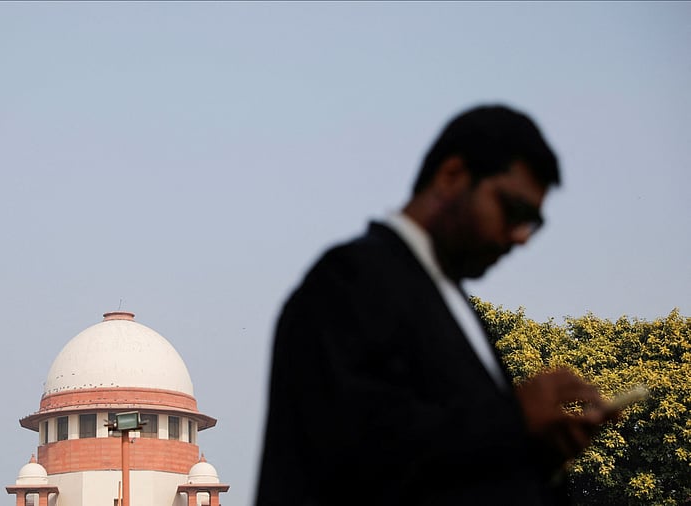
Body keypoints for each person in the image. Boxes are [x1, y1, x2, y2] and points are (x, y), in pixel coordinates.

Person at [255, 105, 617, 505]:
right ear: (451, 177)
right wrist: (515, 417)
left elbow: (452, 465)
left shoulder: (450, 304)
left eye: (532, 223)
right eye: (512, 211)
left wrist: (541, 453)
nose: (519, 237)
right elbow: (351, 449)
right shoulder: (351, 279)